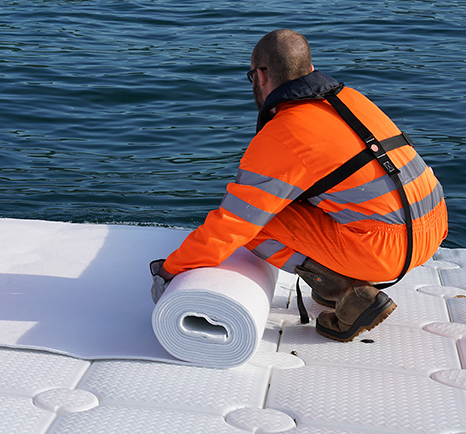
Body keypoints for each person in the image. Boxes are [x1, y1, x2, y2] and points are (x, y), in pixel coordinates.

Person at [151, 29, 447, 342]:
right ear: (308, 68)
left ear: (261, 75)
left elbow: (233, 226)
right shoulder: (351, 99)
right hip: (434, 227)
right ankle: (341, 282)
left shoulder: (282, 134)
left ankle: (349, 292)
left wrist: (169, 270)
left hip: (388, 252)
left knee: (256, 221)